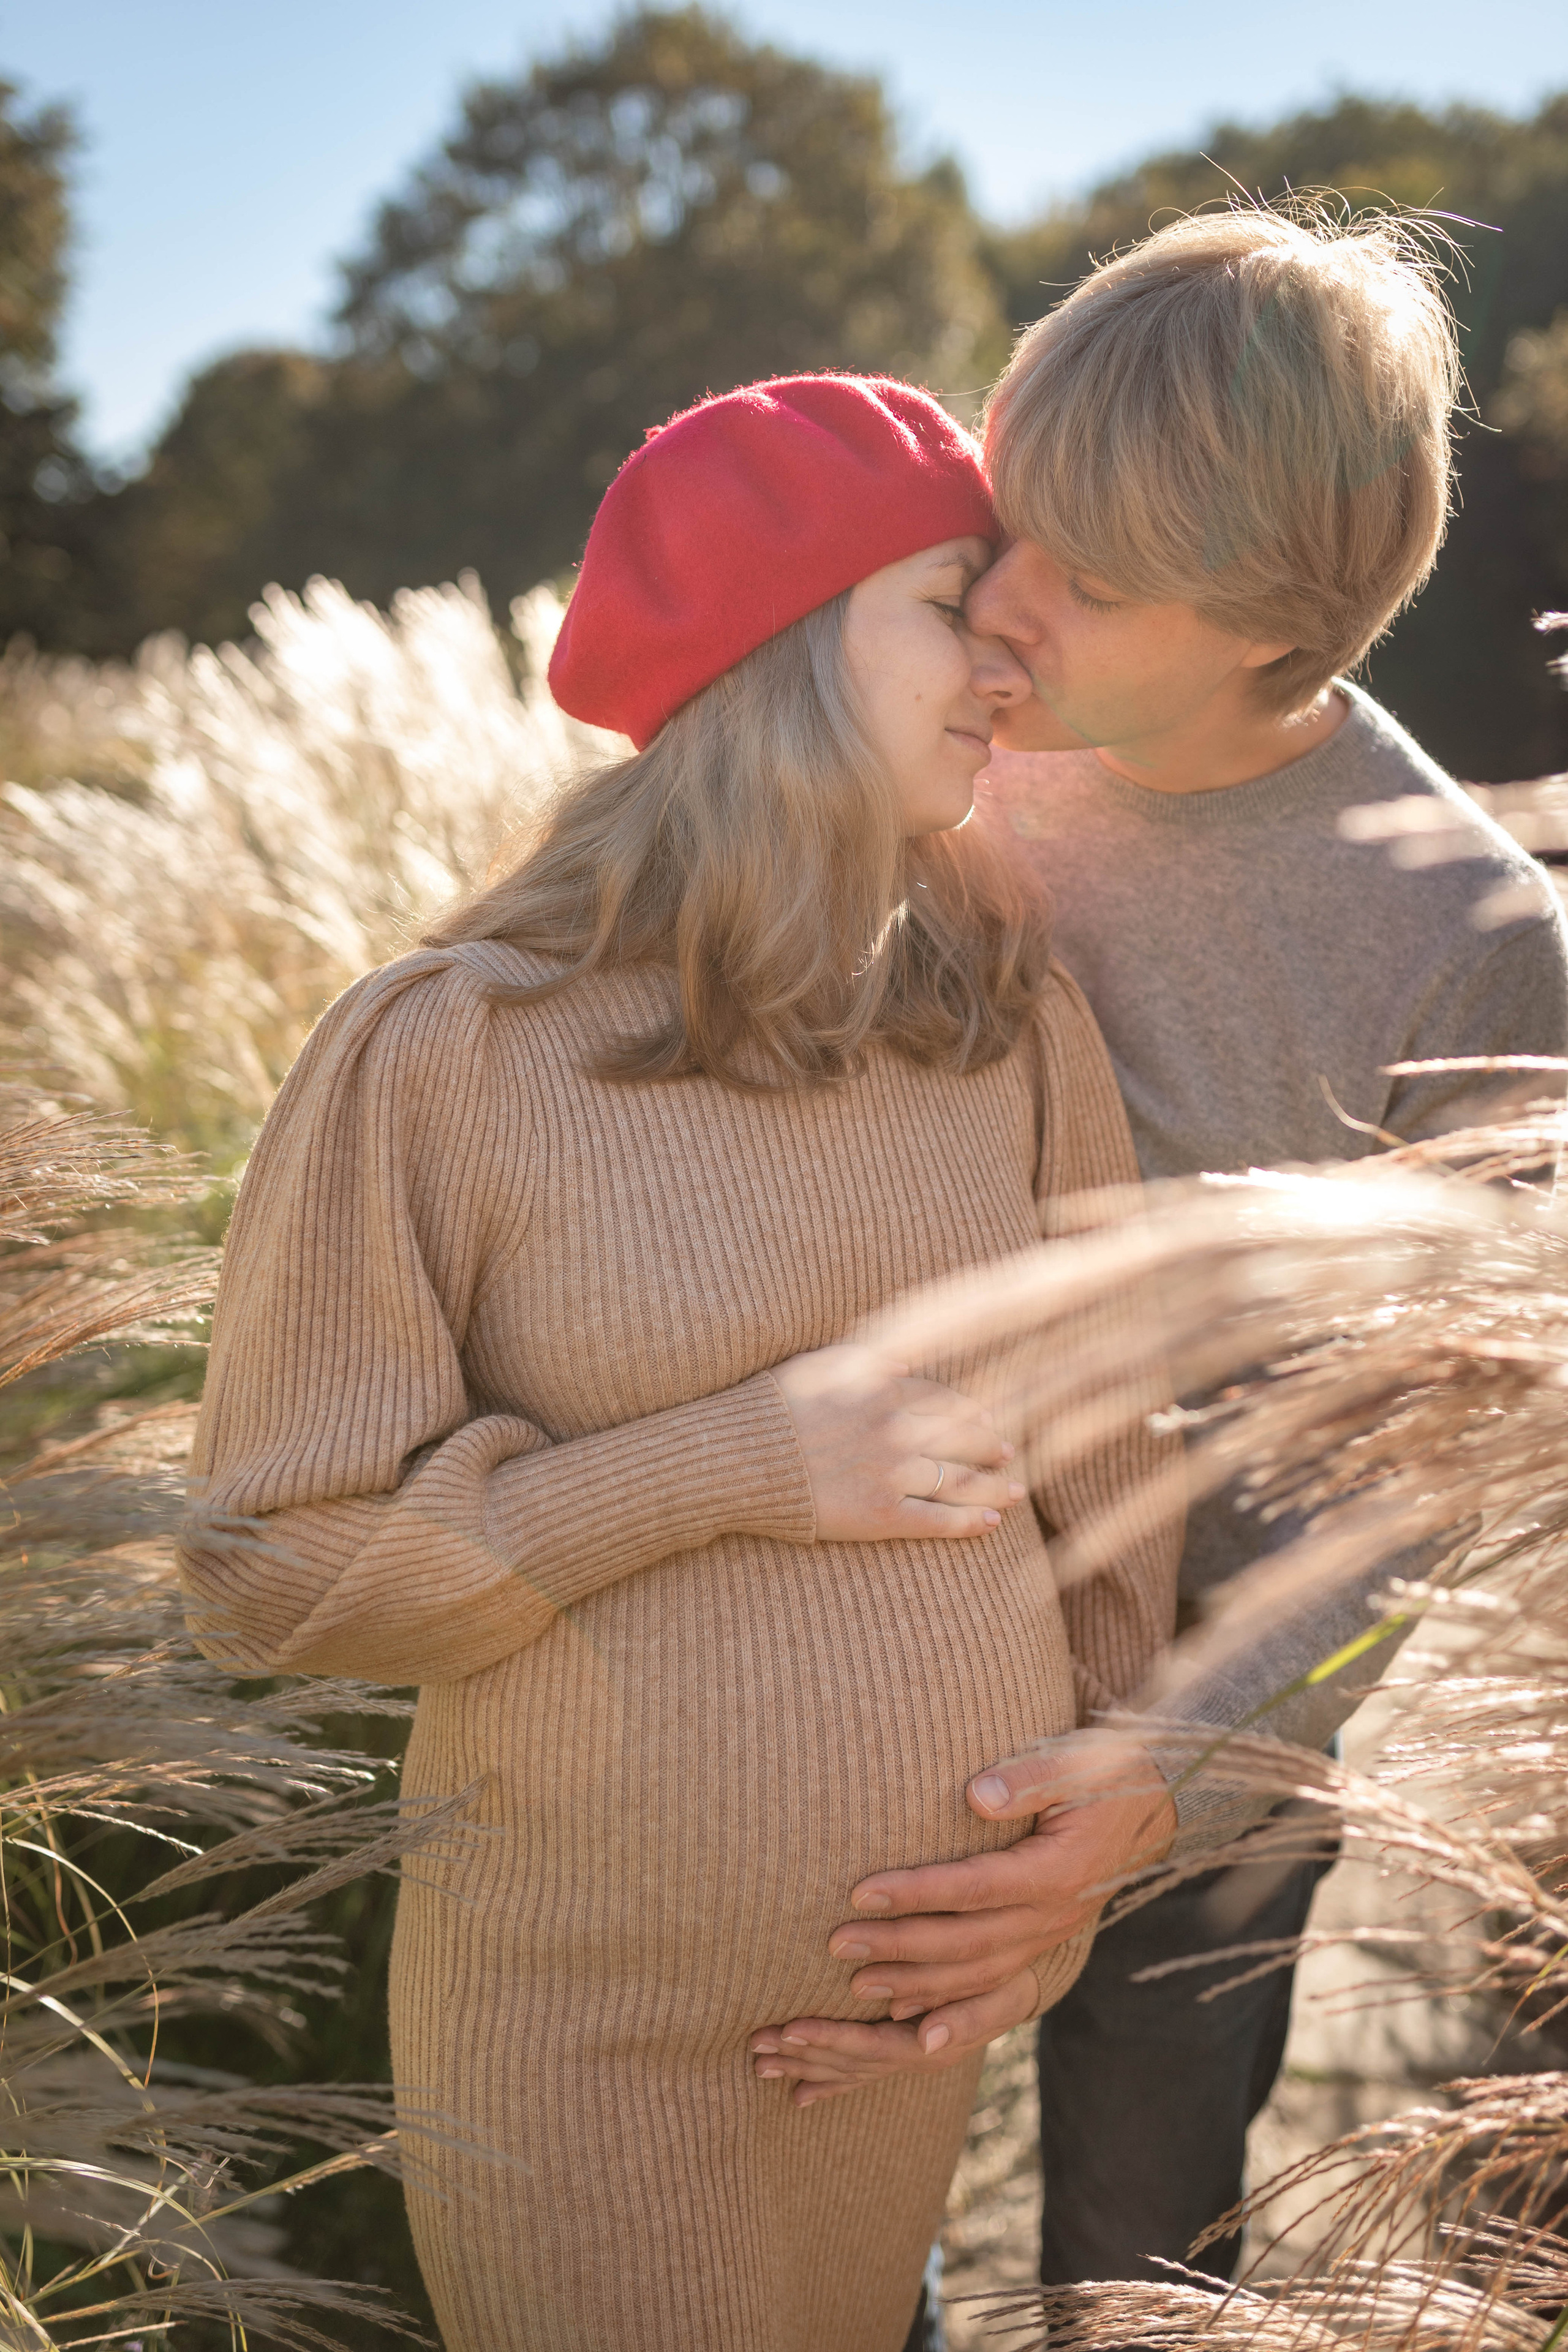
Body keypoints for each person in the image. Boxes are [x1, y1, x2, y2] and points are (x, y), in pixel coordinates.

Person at [178, 374, 1183, 2352]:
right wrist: (729, 1462)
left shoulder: (1009, 1010)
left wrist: (1082, 1844)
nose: (1007, 666)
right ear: (780, 640)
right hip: (588, 2045)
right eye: (947, 604)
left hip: (910, 2022)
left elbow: (1109, 1467)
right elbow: (262, 1568)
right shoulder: (449, 1047)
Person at [746, 206, 1568, 2315]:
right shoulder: (938, 759)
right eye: (1007, 523)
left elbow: (1427, 1464)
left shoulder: (1479, 944)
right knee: (827, 2139)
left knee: (1142, 2228)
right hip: (864, 1606)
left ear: (1276, 625)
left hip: (1202, 1725)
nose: (999, 607)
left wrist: (1171, 1774)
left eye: (1088, 583)